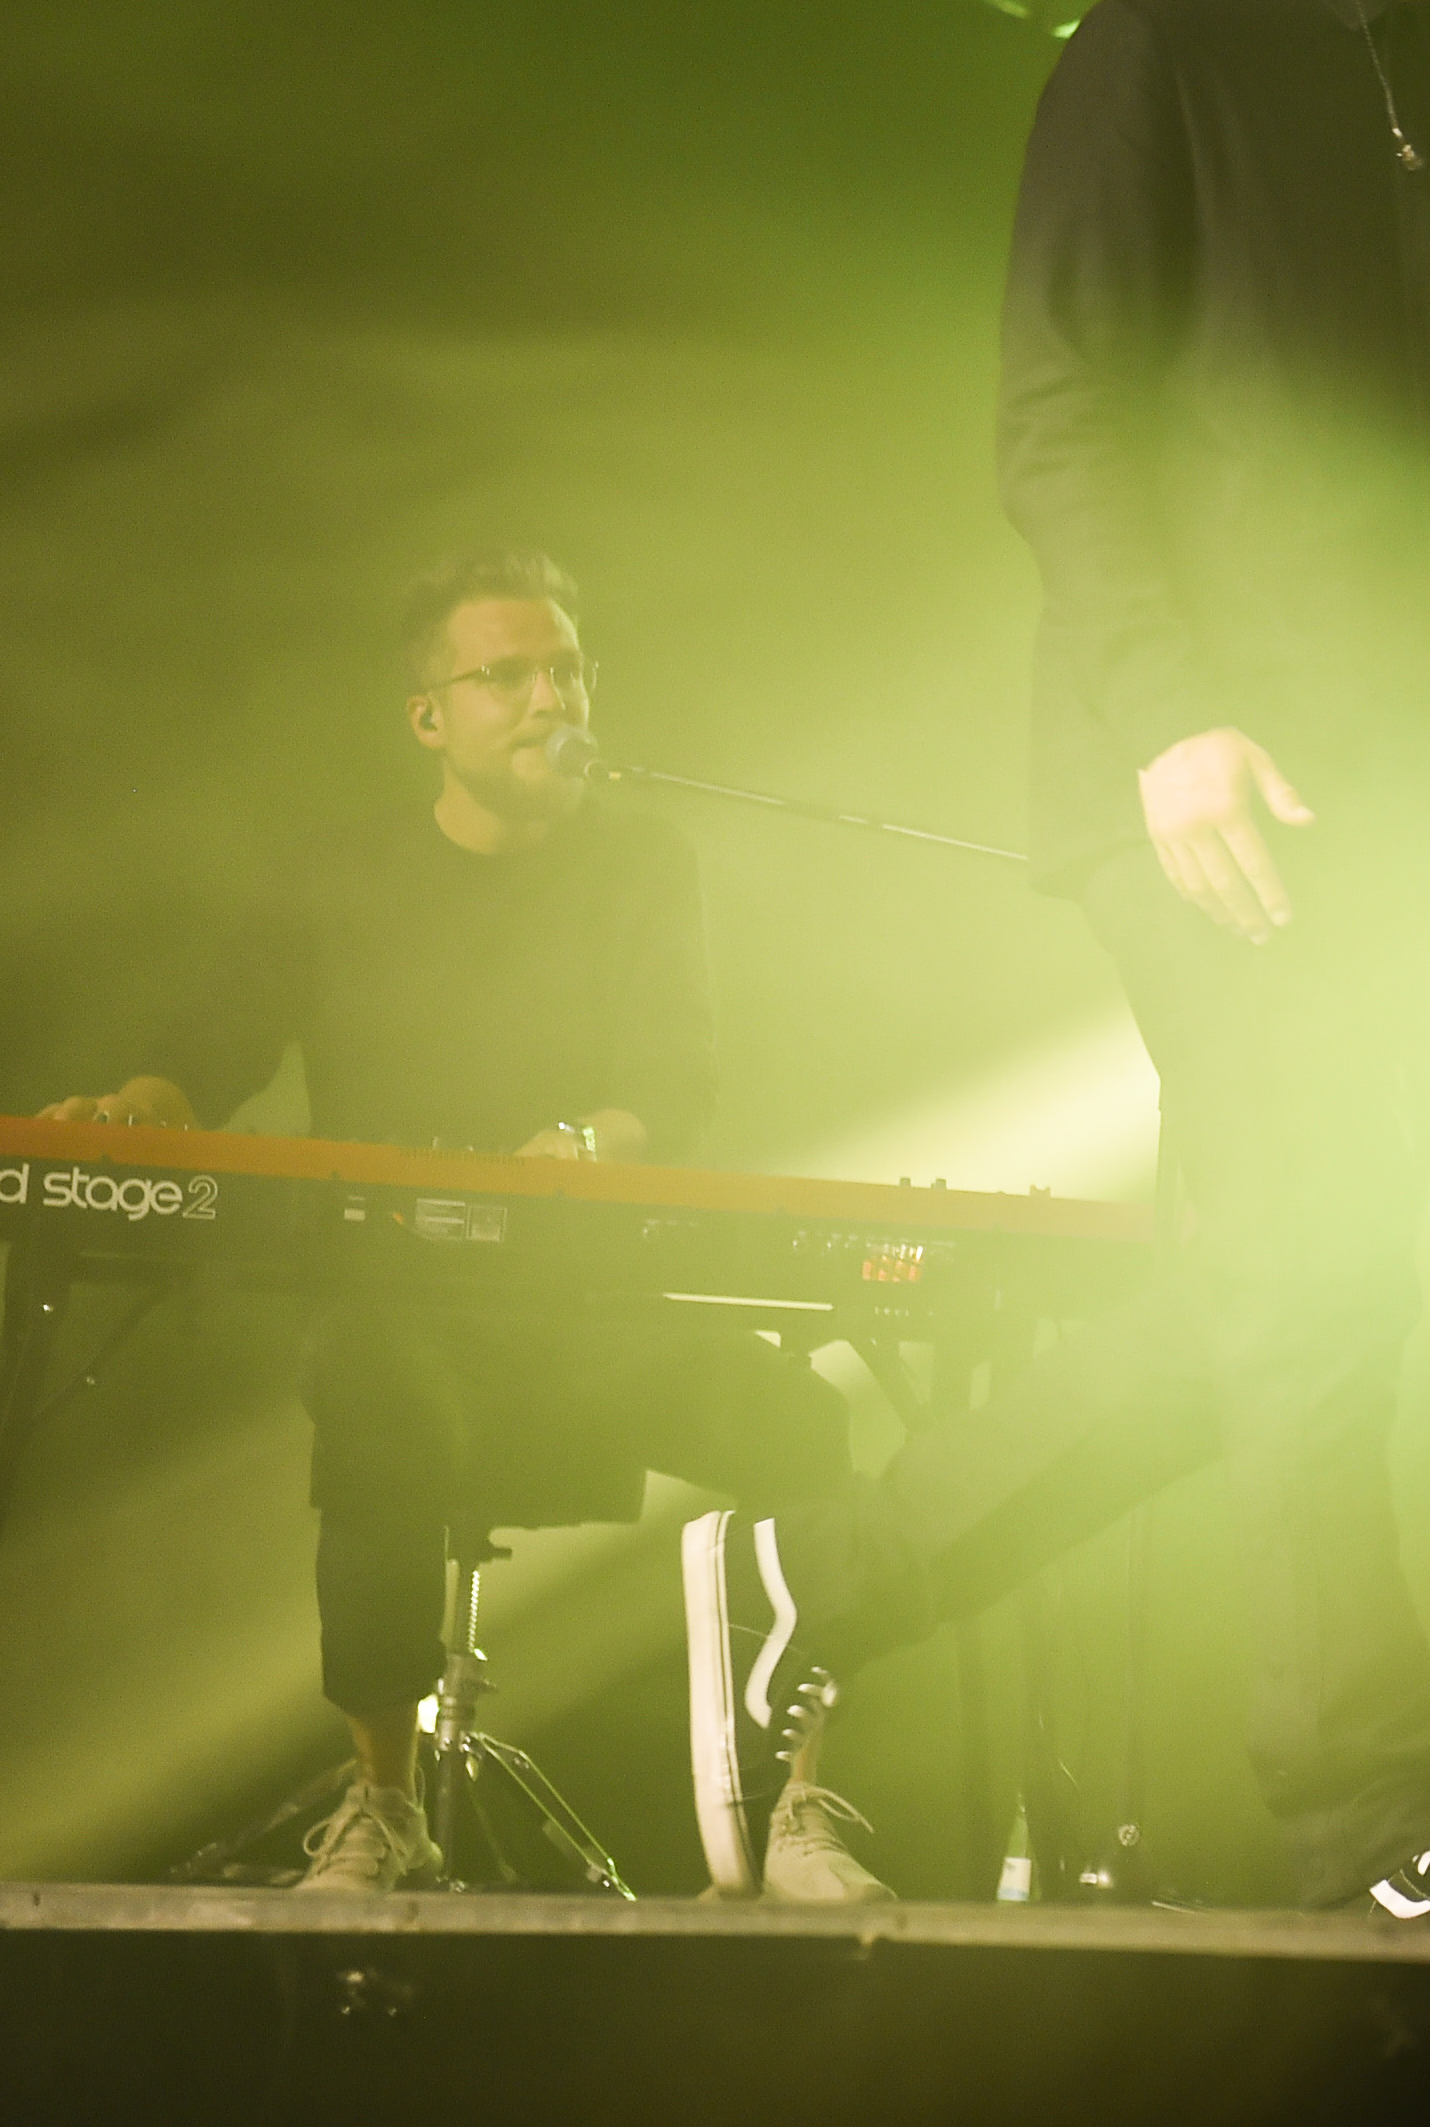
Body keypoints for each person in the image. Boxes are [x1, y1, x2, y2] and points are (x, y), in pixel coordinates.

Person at [676, 0, 1430, 1921]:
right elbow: (1063, 409)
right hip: (1184, 768)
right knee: (1310, 1286)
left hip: (1407, 786)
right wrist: (1173, 706)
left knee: (1289, 1294)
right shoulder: (1159, 56)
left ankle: (826, 1567)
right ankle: (1365, 1820)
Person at [45, 550, 878, 1899]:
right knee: (368, 1380)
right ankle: (383, 1807)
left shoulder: (647, 861)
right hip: (405, 1319)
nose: (549, 695)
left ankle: (798, 1809)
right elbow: (217, 1038)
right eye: (508, 675)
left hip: (598, 1314)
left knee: (809, 1427)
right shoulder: (337, 874)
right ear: (431, 715)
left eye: (567, 669)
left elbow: (680, 1076)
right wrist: (138, 1109)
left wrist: (589, 1147)